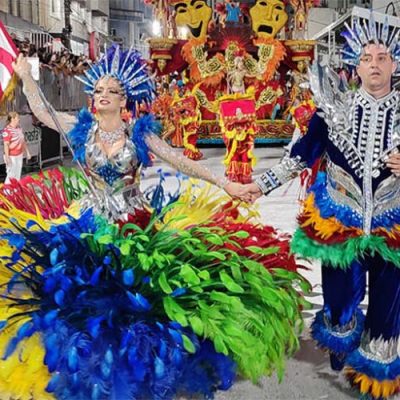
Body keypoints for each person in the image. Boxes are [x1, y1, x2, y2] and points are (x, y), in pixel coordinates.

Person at [0, 45, 308, 400]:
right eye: (97, 90)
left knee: (134, 300)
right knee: (87, 297)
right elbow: (42, 112)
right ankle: (92, 369)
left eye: (110, 91)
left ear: (123, 99)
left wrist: (227, 184)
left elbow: (183, 162)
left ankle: (138, 370)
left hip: (132, 224)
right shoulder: (82, 129)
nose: (101, 96)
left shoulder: (139, 135)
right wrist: (25, 76)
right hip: (90, 219)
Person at [243, 14, 400, 400]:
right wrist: (257, 186)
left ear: (394, 64)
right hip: (339, 221)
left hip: (394, 222)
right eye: (368, 58)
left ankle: (376, 375)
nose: (375, 64)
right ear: (357, 65)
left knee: (390, 306)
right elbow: (299, 156)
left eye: (383, 57)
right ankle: (344, 348)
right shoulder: (332, 108)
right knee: (339, 301)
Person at [2, 111, 31, 183]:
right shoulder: (7, 130)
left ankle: (15, 190)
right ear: (12, 119)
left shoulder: (19, 128)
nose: (19, 119)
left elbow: (23, 141)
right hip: (11, 156)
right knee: (11, 175)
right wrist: (7, 157)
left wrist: (27, 152)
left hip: (19, 154)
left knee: (17, 173)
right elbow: (6, 145)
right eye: (17, 118)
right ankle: (7, 192)